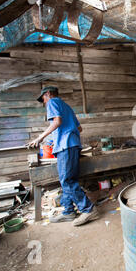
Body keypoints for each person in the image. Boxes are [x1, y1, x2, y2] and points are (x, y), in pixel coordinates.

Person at [28, 86, 99, 226]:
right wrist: (58, 137)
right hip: (70, 144)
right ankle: (68, 212)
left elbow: (57, 121)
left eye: (43, 99)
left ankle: (89, 209)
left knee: (67, 180)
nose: (44, 103)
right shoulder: (66, 106)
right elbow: (79, 128)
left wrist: (40, 138)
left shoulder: (52, 102)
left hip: (66, 146)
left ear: (48, 94)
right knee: (66, 180)